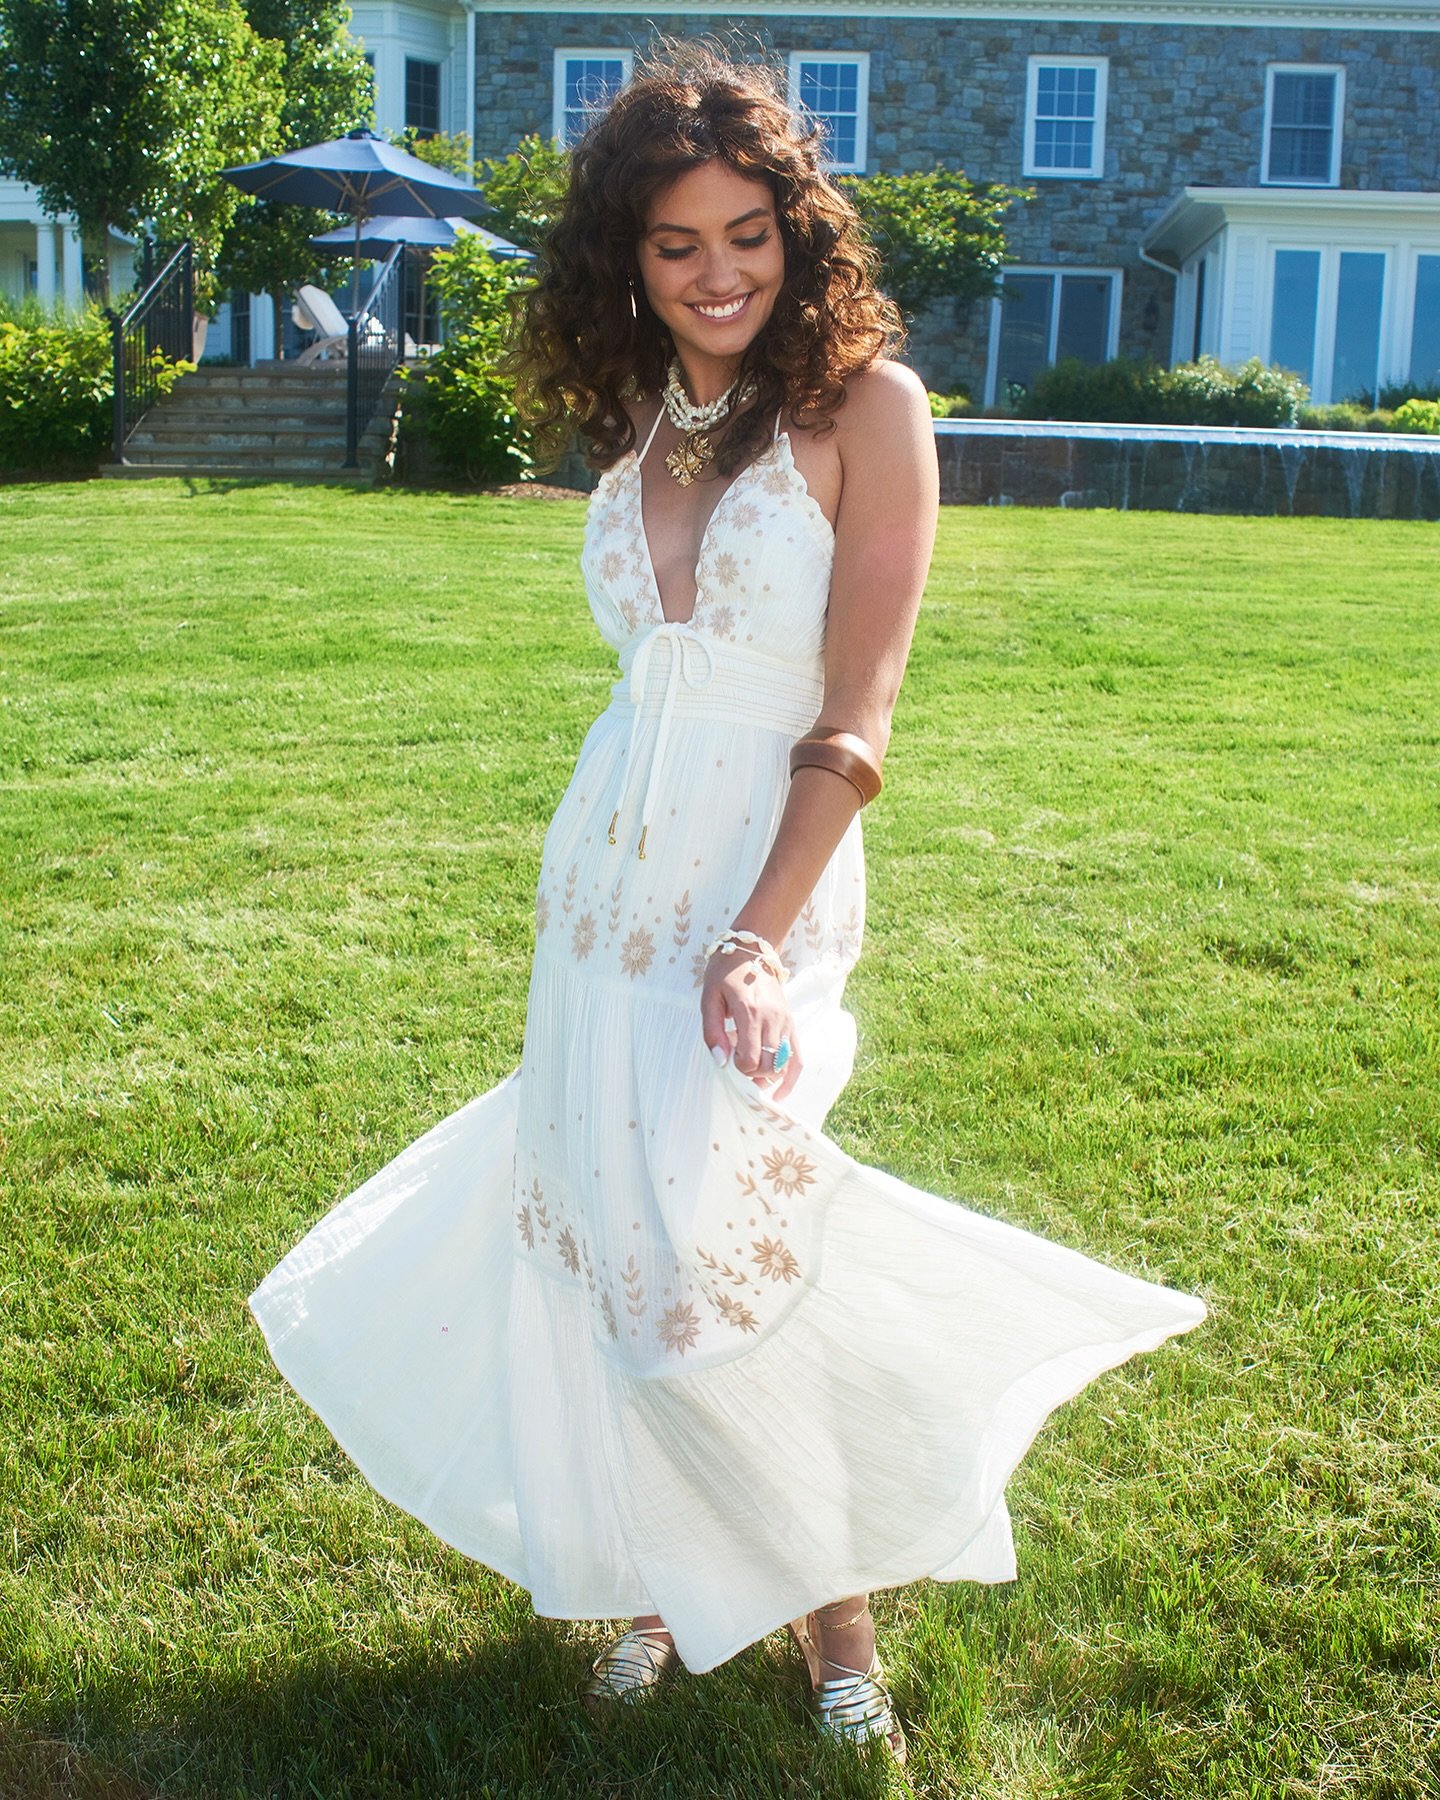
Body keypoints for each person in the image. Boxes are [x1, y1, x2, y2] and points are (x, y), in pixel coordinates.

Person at [248, 45, 1206, 1768]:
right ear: (628, 253)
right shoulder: (637, 418)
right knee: (613, 1232)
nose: (719, 274)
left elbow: (859, 715)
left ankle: (836, 1624)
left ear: (798, 228)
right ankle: (639, 1582)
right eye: (678, 243)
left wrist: (763, 932)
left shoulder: (874, 412)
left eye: (748, 234)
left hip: (763, 881)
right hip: (600, 885)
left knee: (735, 1251)